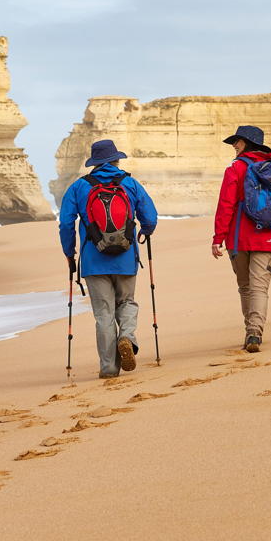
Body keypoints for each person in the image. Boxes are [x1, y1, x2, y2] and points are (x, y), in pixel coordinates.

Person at [59, 139, 159, 378]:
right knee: (126, 302)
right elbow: (150, 217)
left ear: (94, 163)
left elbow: (65, 223)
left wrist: (69, 252)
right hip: (126, 256)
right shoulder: (130, 183)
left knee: (103, 314)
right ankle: (127, 337)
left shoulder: (79, 187)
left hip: (94, 260)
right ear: (116, 160)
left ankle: (109, 368)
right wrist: (145, 231)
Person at [211, 125, 271, 352]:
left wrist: (217, 238)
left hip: (239, 237)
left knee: (246, 287)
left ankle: (250, 331)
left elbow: (226, 205)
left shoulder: (235, 169)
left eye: (238, 141)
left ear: (248, 143)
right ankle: (254, 332)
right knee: (260, 288)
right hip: (268, 236)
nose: (234, 145)